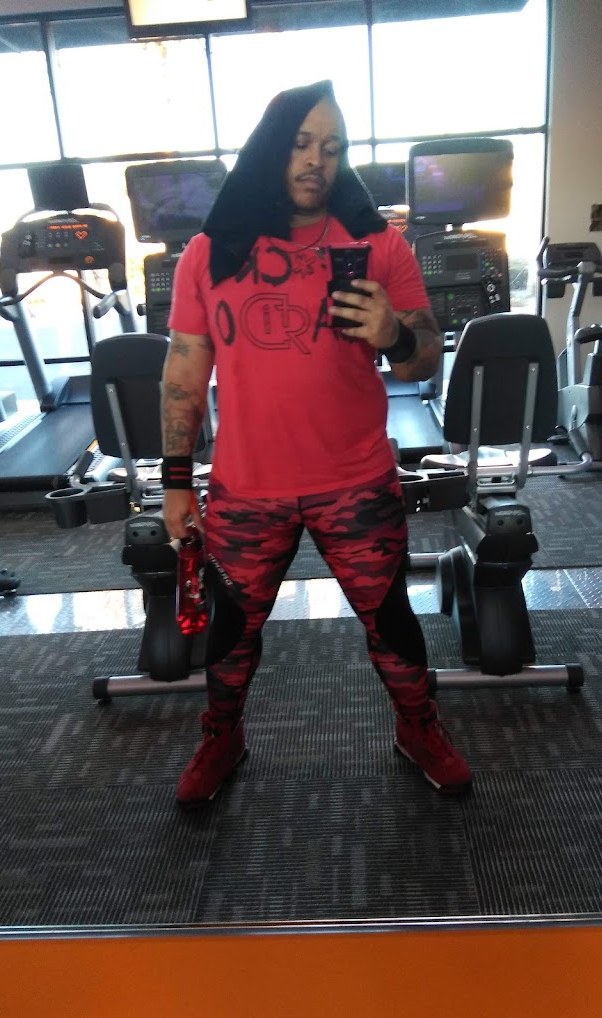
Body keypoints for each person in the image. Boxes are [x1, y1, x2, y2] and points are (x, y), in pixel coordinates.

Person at [160, 79, 472, 806]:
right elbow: (184, 367)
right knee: (231, 635)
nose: (316, 162)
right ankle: (221, 736)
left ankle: (418, 728)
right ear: (272, 149)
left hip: (355, 480)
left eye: (332, 148)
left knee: (391, 621)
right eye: (301, 144)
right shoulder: (211, 253)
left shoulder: (378, 244)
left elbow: (426, 357)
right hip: (247, 486)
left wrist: (394, 335)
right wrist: (175, 481)